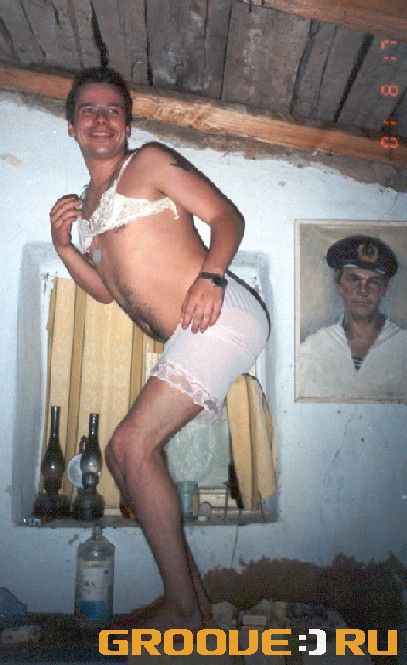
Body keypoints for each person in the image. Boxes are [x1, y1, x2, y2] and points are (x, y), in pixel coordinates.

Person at [49, 67, 269, 630]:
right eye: (89, 110)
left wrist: (212, 276)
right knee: (124, 456)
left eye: (113, 110)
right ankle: (193, 603)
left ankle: (181, 607)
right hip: (190, 333)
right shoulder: (90, 207)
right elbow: (108, 291)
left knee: (130, 446)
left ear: (127, 124)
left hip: (220, 314)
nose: (102, 119)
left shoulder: (146, 163)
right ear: (71, 126)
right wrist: (65, 248)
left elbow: (227, 216)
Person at [299, 234, 407, 400]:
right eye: (353, 279)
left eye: (373, 282)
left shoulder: (402, 345)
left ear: (384, 289)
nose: (363, 291)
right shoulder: (314, 348)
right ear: (339, 285)